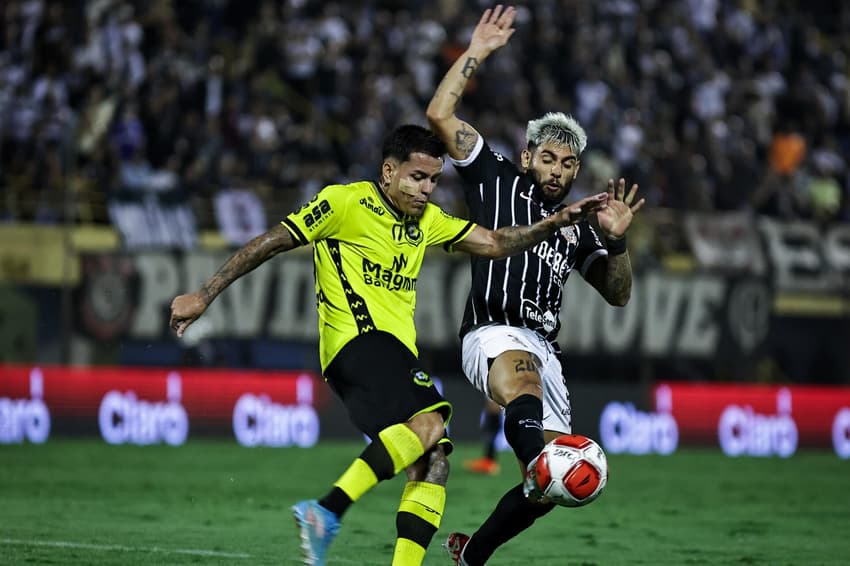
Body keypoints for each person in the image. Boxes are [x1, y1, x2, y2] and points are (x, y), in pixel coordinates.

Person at [169, 124, 609, 566]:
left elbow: (494, 242)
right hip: (357, 341)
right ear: (388, 171)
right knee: (433, 423)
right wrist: (205, 294)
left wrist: (554, 222)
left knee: (434, 461)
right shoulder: (344, 202)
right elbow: (272, 241)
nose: (426, 189)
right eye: (417, 177)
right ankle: (326, 510)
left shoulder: (428, 220)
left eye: (434, 180)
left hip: (393, 355)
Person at [425, 6, 645, 565]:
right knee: (527, 407)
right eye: (547, 158)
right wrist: (478, 50)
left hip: (545, 347)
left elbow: (618, 294)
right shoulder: (495, 178)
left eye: (568, 163)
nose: (557, 170)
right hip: (492, 333)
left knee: (547, 493)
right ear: (527, 157)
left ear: (577, 170)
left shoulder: (582, 222)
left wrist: (616, 241)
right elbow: (440, 114)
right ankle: (533, 463)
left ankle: (473, 554)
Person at [463, 397, 502, 475]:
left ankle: (490, 464)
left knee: (490, 438)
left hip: (494, 417)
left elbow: (495, 407)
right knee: (489, 438)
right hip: (492, 416)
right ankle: (488, 462)